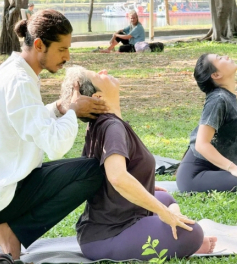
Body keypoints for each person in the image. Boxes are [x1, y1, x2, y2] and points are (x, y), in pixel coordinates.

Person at [60, 66, 217, 262]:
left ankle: (170, 229)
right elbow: (117, 177)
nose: (104, 71)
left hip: (99, 227)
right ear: (98, 97)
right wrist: (164, 213)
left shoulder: (104, 124)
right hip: (109, 235)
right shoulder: (112, 127)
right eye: (97, 75)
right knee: (193, 233)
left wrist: (146, 187)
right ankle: (184, 242)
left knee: (164, 196)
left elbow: (104, 177)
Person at [0, 9, 107, 260]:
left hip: (11, 180)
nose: (67, 57)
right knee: (92, 171)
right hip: (7, 190)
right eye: (62, 49)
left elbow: (26, 121)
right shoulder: (19, 80)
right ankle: (13, 231)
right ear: (39, 45)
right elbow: (56, 145)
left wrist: (58, 109)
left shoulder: (15, 71)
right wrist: (72, 110)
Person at [176, 53, 237, 193]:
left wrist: (235, 154)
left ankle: (230, 167)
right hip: (194, 175)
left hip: (212, 165)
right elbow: (201, 144)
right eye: (220, 58)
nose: (226, 56)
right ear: (215, 75)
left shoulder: (226, 95)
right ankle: (228, 171)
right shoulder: (218, 100)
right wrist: (233, 167)